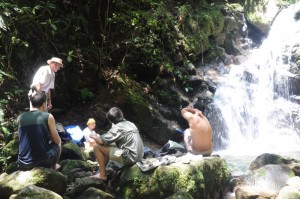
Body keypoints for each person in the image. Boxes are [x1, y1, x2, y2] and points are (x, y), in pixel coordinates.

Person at [90, 107, 144, 180]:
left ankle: (102, 175)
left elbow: (100, 141)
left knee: (97, 146)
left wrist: (93, 136)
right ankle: (103, 170)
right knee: (107, 144)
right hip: (139, 156)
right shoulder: (130, 124)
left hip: (130, 158)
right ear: (121, 114)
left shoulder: (118, 127)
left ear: (110, 120)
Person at [17, 89, 62, 170]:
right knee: (59, 143)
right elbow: (56, 141)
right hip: (43, 162)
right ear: (44, 105)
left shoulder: (20, 117)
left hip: (22, 163)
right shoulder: (48, 116)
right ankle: (54, 166)